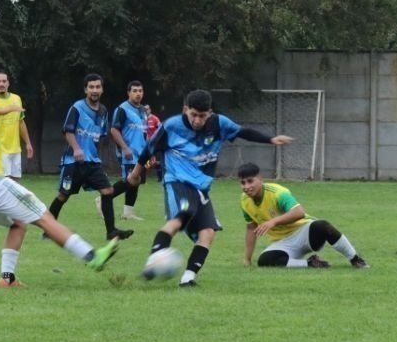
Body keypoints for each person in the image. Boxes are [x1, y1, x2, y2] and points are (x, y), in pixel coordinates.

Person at [0, 71, 120, 287]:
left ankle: (7, 279)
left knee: (18, 224)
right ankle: (92, 256)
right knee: (44, 217)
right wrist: (1, 110)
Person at [127, 89, 292, 287]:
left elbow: (243, 132)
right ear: (185, 109)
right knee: (183, 214)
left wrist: (270, 139)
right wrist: (136, 173)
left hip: (202, 186)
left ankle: (188, 278)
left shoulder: (219, 124)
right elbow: (148, 150)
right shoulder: (172, 126)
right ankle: (153, 261)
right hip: (178, 180)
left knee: (208, 232)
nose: (197, 120)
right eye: (193, 114)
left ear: (210, 113)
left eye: (202, 116)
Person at [47, 73, 133, 241]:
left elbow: (100, 137)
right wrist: (77, 149)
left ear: (102, 89)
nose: (95, 90)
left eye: (98, 87)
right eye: (91, 87)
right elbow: (68, 131)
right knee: (63, 195)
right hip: (74, 161)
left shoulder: (103, 111)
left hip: (92, 163)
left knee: (107, 191)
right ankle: (48, 227)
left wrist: (100, 154)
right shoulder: (77, 107)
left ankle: (111, 231)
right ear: (86, 89)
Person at [237, 163, 368, 269]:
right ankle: (311, 264)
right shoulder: (244, 201)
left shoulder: (277, 193)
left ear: (260, 179)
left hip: (303, 232)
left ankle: (355, 259)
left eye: (250, 181)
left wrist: (273, 222)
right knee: (264, 261)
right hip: (282, 242)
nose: (247, 186)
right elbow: (251, 229)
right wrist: (247, 260)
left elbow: (299, 212)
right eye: (243, 183)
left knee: (323, 226)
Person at [107, 81, 149, 221]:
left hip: (140, 153)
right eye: (135, 90)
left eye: (140, 91)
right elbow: (114, 129)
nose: (138, 93)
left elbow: (144, 132)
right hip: (128, 153)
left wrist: (149, 151)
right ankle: (104, 197)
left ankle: (127, 213)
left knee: (135, 181)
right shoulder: (122, 109)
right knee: (130, 180)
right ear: (128, 93)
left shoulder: (143, 111)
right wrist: (124, 148)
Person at [0, 70, 33, 182]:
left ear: (8, 83)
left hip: (15, 149)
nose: (1, 84)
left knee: (16, 182)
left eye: (4, 81)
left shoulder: (16, 99)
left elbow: (21, 122)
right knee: (5, 183)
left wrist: (28, 143)